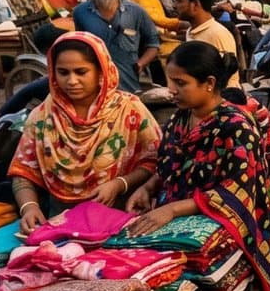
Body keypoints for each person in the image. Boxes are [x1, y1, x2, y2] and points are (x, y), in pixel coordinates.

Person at [123, 42, 270, 291]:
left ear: (210, 84)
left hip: (226, 230)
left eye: (180, 83)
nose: (170, 89)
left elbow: (238, 190)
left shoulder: (237, 127)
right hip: (177, 227)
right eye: (170, 81)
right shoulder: (178, 121)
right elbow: (168, 166)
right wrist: (148, 188)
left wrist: (174, 209)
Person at [8, 32, 162, 228]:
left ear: (101, 71)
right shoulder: (42, 116)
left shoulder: (129, 109)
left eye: (81, 72)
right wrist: (29, 207)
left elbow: (155, 160)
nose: (72, 81)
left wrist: (119, 184)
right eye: (63, 72)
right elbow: (23, 170)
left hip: (119, 217)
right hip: (60, 221)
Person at [72, 0, 160, 95]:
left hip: (130, 84)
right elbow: (81, 46)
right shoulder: (80, 13)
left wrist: (141, 64)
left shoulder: (136, 11)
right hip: (96, 87)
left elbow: (153, 43)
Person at [168, 0, 240, 88]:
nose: (174, 6)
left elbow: (228, 80)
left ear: (195, 4)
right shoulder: (192, 31)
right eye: (174, 0)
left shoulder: (217, 34)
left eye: (179, 1)